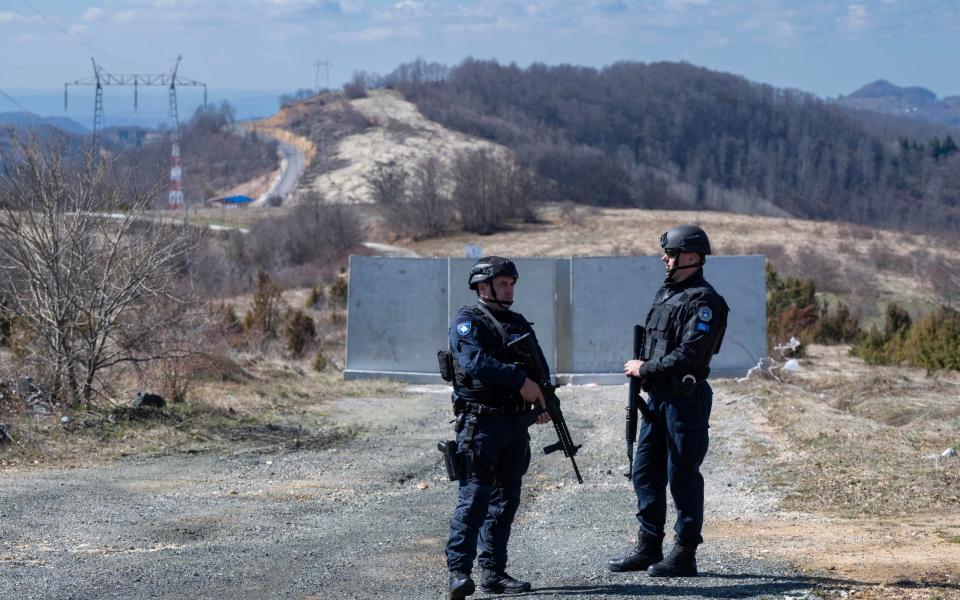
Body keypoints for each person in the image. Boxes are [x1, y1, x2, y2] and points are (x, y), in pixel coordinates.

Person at [607, 225, 729, 578]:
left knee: (682, 475)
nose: (665, 258)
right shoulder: (668, 294)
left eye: (672, 253)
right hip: (658, 398)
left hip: (685, 400)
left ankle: (684, 552)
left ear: (691, 256)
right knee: (645, 473)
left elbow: (691, 353)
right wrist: (648, 373)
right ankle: (648, 546)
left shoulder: (704, 301)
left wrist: (648, 367)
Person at [444, 256, 551, 600]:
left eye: (511, 283)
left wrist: (544, 397)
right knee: (474, 496)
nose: (509, 289)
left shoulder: (518, 322)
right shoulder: (468, 321)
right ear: (482, 286)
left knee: (507, 499)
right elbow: (474, 362)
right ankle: (458, 572)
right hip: (481, 422)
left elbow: (539, 364)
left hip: (514, 423)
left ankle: (493, 572)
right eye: (503, 283)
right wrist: (521, 381)